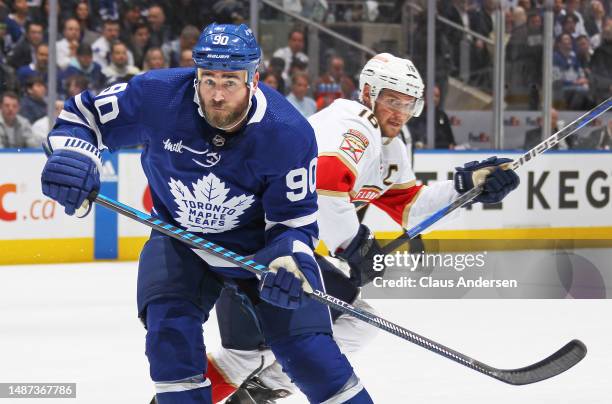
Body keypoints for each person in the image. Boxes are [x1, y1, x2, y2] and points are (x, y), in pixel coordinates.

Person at [40, 23, 373, 404]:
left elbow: (292, 222)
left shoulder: (287, 132)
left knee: (314, 358)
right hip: (181, 242)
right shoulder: (157, 94)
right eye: (208, 79)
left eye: (230, 82)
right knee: (170, 342)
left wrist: (291, 262)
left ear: (253, 79)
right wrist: (74, 155)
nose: (216, 94)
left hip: (258, 252)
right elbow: (85, 118)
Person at [206, 53, 520, 403]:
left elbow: (412, 210)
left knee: (247, 355)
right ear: (369, 92)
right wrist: (353, 244)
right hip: (256, 245)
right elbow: (323, 190)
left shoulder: (390, 146)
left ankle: (243, 392)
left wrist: (466, 189)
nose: (399, 112)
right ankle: (255, 391)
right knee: (354, 322)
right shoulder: (352, 124)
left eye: (408, 103)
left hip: (270, 246)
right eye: (391, 100)